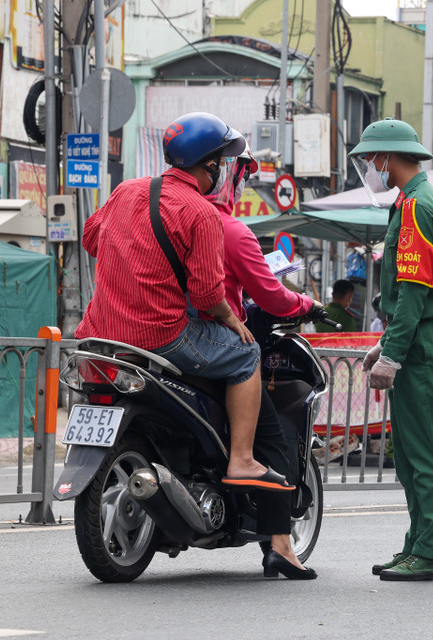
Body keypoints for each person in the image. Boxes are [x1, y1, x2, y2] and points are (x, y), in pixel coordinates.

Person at [75, 112, 292, 493]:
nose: (225, 170)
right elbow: (209, 294)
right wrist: (232, 321)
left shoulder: (126, 190)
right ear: (210, 164)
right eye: (224, 161)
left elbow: (91, 239)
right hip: (161, 337)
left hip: (99, 334)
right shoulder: (202, 213)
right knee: (247, 354)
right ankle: (241, 459)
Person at [351, 118, 433, 581]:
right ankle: (416, 544)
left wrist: (392, 355)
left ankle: (428, 551)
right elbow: (408, 296)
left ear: (387, 157)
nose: (371, 168)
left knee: (426, 451)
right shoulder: (413, 202)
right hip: (415, 333)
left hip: (422, 339)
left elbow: (414, 290)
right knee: (411, 451)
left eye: (373, 159)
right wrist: (386, 344)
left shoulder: (416, 206)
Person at [204, 148, 317, 579]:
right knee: (273, 440)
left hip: (153, 338)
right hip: (212, 343)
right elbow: (271, 297)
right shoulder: (230, 230)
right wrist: (307, 302)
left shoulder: (163, 216)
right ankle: (280, 544)